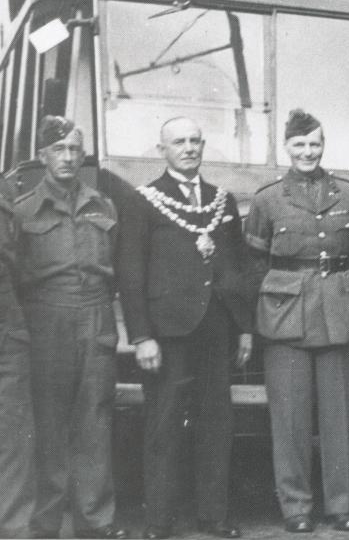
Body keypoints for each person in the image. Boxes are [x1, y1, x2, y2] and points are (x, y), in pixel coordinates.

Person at [116, 117, 253, 540]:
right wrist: (141, 336)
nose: (189, 148)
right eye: (179, 142)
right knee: (164, 424)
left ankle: (213, 517)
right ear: (162, 149)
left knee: (217, 422)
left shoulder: (220, 200)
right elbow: (131, 272)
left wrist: (244, 327)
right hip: (167, 331)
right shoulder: (143, 201)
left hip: (216, 327)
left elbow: (236, 267)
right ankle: (159, 521)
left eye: (195, 141)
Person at [243, 110, 349, 533]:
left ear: (323, 145)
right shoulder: (267, 199)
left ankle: (339, 505)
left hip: (335, 313)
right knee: (290, 419)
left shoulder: (348, 194)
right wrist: (273, 299)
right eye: (299, 145)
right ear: (286, 148)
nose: (308, 152)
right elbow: (254, 262)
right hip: (286, 317)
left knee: (335, 418)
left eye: (314, 144)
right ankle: (295, 507)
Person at [15, 117, 126, 539]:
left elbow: (114, 267)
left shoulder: (103, 205)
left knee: (94, 422)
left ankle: (95, 522)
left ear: (83, 156)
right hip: (46, 320)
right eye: (58, 150)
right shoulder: (24, 209)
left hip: (96, 316)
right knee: (46, 423)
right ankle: (45, 523)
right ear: (42, 157)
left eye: (74, 150)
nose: (67, 157)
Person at [0, 107, 35, 539]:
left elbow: (16, 255)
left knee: (11, 433)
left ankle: (10, 531)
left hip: (4, 311)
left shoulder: (0, 186)